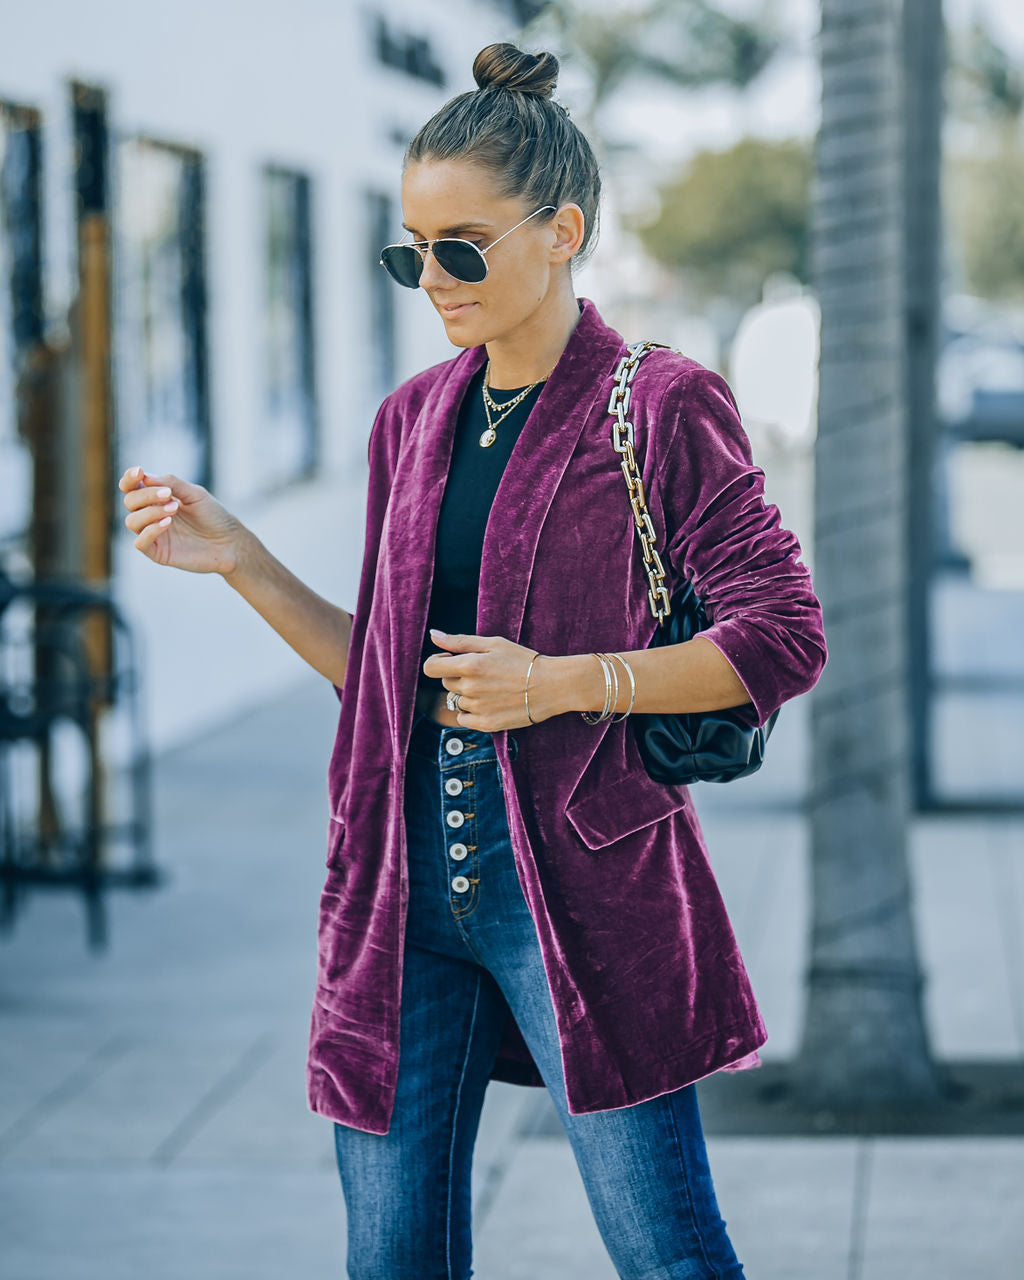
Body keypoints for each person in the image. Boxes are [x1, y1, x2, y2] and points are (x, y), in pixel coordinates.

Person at [118, 40, 827, 1280]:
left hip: (583, 896)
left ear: (560, 232)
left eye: (460, 247)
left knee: (665, 1251)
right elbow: (385, 679)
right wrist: (242, 560)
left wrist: (565, 679)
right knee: (392, 1257)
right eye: (410, 250)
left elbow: (783, 634)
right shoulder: (413, 416)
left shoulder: (659, 405)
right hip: (399, 901)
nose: (430, 278)